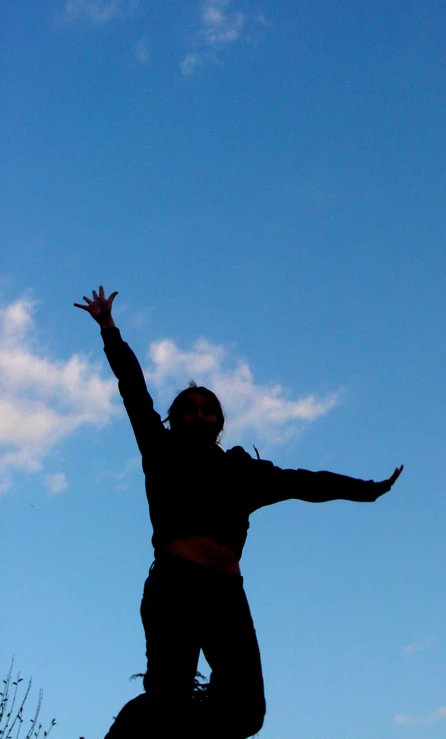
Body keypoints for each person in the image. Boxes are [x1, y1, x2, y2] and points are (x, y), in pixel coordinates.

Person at [74, 286, 404, 739]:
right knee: (168, 697)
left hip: (227, 593)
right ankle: (137, 727)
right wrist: (109, 330)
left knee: (247, 713)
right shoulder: (161, 450)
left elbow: (305, 482)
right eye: (188, 410)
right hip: (174, 583)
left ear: (219, 423)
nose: (198, 415)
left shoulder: (243, 472)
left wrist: (369, 490)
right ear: (175, 420)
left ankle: (171, 724)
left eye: (208, 410)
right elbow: (134, 391)